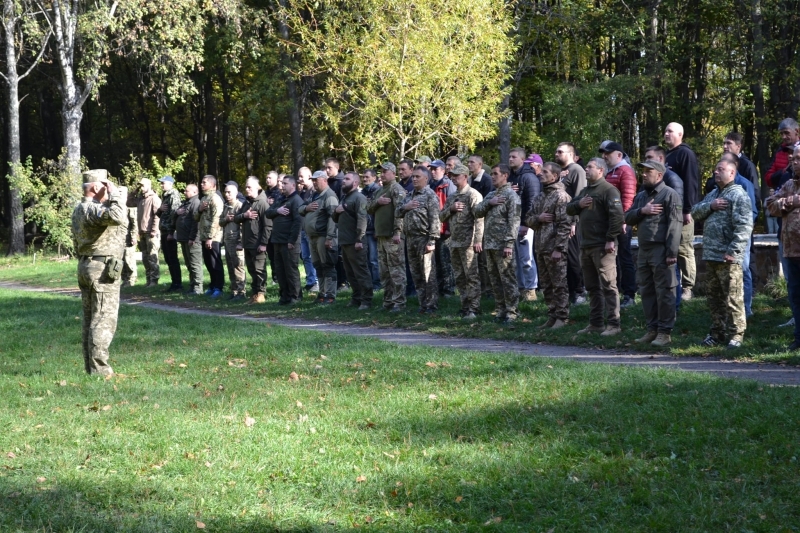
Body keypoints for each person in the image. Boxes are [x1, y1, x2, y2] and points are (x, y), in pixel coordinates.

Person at [691, 158, 753, 349]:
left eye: (721, 169)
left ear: (732, 173)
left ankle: (737, 334)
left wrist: (733, 251)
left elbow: (744, 226)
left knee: (733, 297)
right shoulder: (713, 194)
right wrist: (711, 206)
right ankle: (717, 331)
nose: (715, 172)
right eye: (715, 169)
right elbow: (694, 212)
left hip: (728, 257)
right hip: (711, 255)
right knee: (714, 298)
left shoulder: (738, 195)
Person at [71, 169, 127, 376]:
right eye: (105, 185)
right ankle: (101, 370)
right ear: (96, 187)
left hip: (86, 265)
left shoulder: (79, 209)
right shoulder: (91, 209)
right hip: (101, 269)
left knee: (90, 318)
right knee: (103, 318)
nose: (109, 187)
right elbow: (118, 217)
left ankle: (91, 368)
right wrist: (116, 196)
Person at [624, 161, 683, 346]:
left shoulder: (669, 195)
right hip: (644, 249)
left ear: (659, 175)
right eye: (642, 171)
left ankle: (665, 332)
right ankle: (652, 329)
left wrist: (671, 252)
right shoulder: (641, 196)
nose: (643, 174)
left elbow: (675, 224)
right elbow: (627, 217)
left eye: (648, 171)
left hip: (661, 250)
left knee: (665, 291)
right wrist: (643, 211)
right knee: (647, 290)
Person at [566, 158, 624, 336]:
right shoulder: (585, 191)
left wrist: (610, 239)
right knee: (592, 286)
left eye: (590, 167)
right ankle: (596, 323)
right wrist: (579, 204)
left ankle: (614, 324)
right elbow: (569, 208)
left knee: (608, 284)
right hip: (586, 245)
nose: (586, 169)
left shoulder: (608, 190)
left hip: (602, 246)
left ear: (600, 170)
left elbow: (617, 216)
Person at [474, 164, 521, 323]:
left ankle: (512, 311)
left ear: (505, 175)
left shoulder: (511, 196)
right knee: (494, 280)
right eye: (492, 174)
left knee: (507, 279)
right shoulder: (492, 195)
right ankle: (500, 310)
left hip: (503, 246)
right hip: (490, 244)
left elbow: (514, 221)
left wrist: (509, 243)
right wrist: (490, 203)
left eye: (496, 174)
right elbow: (477, 211)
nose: (492, 176)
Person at [527, 162, 572, 329]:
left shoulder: (561, 196)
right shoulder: (540, 197)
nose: (541, 174)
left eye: (545, 172)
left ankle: (562, 317)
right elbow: (529, 219)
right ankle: (552, 315)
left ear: (554, 176)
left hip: (554, 249)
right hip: (540, 247)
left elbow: (565, 224)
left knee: (559, 284)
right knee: (546, 284)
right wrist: (538, 219)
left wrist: (559, 248)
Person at [440, 163, 484, 319]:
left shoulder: (473, 195)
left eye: (456, 176)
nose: (453, 179)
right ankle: (465, 306)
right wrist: (450, 209)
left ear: (465, 176)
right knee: (459, 276)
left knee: (471, 276)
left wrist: (478, 240)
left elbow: (479, 219)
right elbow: (441, 216)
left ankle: (474, 308)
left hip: (469, 243)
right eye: (451, 176)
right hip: (455, 242)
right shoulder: (452, 197)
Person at [767, 145, 800, 350]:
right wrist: (790, 202)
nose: (793, 162)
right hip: (791, 251)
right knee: (796, 296)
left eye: (797, 159)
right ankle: (798, 338)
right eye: (793, 159)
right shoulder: (788, 184)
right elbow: (771, 205)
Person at [396, 165, 441, 313]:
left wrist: (432, 240)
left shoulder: (430, 195)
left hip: (424, 238)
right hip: (410, 239)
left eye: (417, 177)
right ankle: (422, 304)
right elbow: (397, 212)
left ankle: (431, 305)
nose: (414, 179)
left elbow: (435, 219)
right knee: (416, 273)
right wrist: (406, 207)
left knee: (428, 274)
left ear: (426, 179)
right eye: (413, 176)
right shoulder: (409, 195)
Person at [664, 122, 700, 301]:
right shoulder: (667, 156)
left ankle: (687, 288)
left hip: (683, 212)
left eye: (670, 131)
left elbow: (691, 182)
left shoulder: (686, 154)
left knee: (685, 249)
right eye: (665, 131)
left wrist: (688, 210)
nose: (666, 134)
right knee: (672, 248)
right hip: (668, 211)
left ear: (680, 134)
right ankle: (674, 285)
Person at [599, 141, 637, 308]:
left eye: (608, 153)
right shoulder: (611, 171)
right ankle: (616, 293)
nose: (604, 156)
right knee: (612, 257)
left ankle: (629, 295)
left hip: (621, 222)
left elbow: (628, 198)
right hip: (609, 221)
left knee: (624, 257)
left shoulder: (625, 171)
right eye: (603, 153)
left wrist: (623, 220)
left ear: (619, 155)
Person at [366, 162, 407, 312]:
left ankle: (399, 302)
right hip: (381, 236)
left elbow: (400, 213)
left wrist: (398, 232)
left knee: (396, 271)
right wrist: (378, 202)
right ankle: (388, 301)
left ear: (393, 173)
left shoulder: (397, 189)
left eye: (385, 172)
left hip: (393, 236)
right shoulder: (379, 190)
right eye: (380, 172)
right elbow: (368, 208)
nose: (381, 174)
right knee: (384, 271)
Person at [333, 171, 373, 310]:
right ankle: (356, 298)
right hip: (345, 242)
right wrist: (336, 211)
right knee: (350, 273)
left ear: (355, 183)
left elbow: (362, 219)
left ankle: (366, 300)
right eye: (344, 179)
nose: (343, 181)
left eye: (347, 179)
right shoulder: (345, 197)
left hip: (356, 242)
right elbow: (335, 218)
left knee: (361, 271)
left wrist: (359, 239)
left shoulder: (359, 198)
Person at [555, 142, 587, 306]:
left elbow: (580, 196)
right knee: (564, 259)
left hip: (573, 223)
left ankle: (580, 292)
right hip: (560, 222)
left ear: (570, 154)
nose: (556, 154)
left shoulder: (577, 170)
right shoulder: (562, 172)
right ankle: (569, 292)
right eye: (556, 151)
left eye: (560, 152)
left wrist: (574, 222)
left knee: (574, 258)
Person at [301, 170, 340, 303]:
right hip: (313, 237)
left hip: (324, 237)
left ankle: (330, 295)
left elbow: (333, 219)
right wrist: (306, 208)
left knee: (327, 265)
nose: (314, 183)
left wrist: (330, 238)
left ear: (324, 180)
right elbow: (300, 208)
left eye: (316, 180)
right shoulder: (314, 195)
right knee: (318, 265)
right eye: (312, 180)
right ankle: (322, 294)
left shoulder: (329, 196)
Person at [265, 175, 304, 304]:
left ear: (293, 185)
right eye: (282, 183)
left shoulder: (296, 200)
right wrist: (278, 210)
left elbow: (298, 222)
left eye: (285, 183)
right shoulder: (281, 199)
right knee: (280, 270)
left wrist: (292, 241)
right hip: (277, 240)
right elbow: (268, 213)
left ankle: (295, 296)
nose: (282, 185)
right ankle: (284, 296)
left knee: (291, 270)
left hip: (289, 242)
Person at [508, 147, 540, 302]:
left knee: (527, 258)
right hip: (513, 223)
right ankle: (522, 289)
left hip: (525, 224)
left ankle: (531, 289)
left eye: (513, 157)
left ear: (522, 159)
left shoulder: (529, 177)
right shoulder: (512, 177)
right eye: (509, 157)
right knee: (517, 259)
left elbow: (532, 202)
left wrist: (526, 224)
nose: (510, 159)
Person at [235, 177, 272, 304]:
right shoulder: (246, 203)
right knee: (251, 269)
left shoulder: (262, 203)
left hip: (258, 244)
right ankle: (254, 294)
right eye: (245, 187)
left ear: (257, 187)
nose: (247, 189)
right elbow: (236, 218)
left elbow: (268, 225)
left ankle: (261, 294)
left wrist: (263, 243)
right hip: (248, 243)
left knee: (259, 269)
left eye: (249, 187)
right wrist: (245, 215)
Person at [467, 154, 494, 299]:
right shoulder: (470, 179)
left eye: (472, 162)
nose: (469, 164)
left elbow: (486, 204)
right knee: (476, 260)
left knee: (483, 260)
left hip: (484, 223)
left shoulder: (487, 180)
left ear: (480, 164)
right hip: (472, 223)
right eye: (468, 162)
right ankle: (481, 288)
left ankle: (488, 290)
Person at [428, 159, 456, 297]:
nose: (433, 172)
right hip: (434, 229)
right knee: (437, 261)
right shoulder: (431, 185)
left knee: (446, 262)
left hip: (445, 229)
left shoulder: (448, 185)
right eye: (431, 169)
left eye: (436, 169)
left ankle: (449, 290)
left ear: (443, 170)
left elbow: (452, 207)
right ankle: (439, 289)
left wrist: (449, 227)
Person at [195, 175, 225, 298]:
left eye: (204, 182)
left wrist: (210, 237)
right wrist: (200, 209)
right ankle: (212, 286)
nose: (202, 184)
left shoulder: (215, 199)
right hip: (204, 235)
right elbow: (195, 217)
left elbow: (216, 219)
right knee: (208, 262)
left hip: (213, 237)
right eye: (202, 182)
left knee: (215, 262)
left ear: (212, 185)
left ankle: (219, 287)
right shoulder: (203, 198)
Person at [173, 184, 203, 295]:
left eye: (187, 191)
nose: (184, 192)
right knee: (189, 263)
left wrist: (192, 237)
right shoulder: (185, 203)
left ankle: (198, 288)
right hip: (184, 238)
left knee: (195, 264)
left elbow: (196, 222)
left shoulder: (195, 203)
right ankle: (192, 285)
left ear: (195, 192)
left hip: (192, 239)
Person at [156, 176, 182, 292]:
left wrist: (172, 232)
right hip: (164, 231)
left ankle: (177, 284)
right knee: (168, 258)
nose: (161, 185)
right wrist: (160, 209)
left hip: (169, 232)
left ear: (170, 184)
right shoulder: (165, 195)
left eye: (163, 183)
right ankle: (174, 283)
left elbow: (174, 214)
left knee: (172, 258)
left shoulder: (173, 195)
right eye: (161, 183)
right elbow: (159, 214)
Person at [220, 182, 246, 300]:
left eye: (229, 192)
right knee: (230, 266)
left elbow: (243, 226)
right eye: (225, 192)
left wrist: (241, 242)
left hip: (236, 241)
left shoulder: (239, 206)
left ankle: (241, 292)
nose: (227, 194)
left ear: (236, 193)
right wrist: (226, 219)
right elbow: (220, 222)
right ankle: (234, 290)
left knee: (238, 266)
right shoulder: (226, 206)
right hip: (227, 240)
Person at [296, 167, 319, 293]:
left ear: (309, 176)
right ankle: (310, 281)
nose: (299, 179)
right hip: (303, 229)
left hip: (312, 230)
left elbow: (313, 208)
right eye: (298, 176)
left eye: (301, 176)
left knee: (312, 256)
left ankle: (316, 282)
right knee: (305, 257)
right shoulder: (302, 192)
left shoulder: (314, 191)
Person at [136, 177, 161, 287]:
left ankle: (154, 281)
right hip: (142, 232)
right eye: (140, 186)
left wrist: (154, 230)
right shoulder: (141, 200)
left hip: (151, 233)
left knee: (152, 257)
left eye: (143, 185)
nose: (141, 188)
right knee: (145, 258)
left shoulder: (154, 199)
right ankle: (148, 280)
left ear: (149, 186)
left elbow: (157, 216)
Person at [360, 168, 382, 290]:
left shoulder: (377, 191)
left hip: (373, 229)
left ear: (374, 177)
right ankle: (369, 283)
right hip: (364, 230)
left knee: (374, 259)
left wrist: (376, 229)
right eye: (363, 177)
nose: (364, 179)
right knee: (367, 259)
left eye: (367, 177)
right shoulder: (362, 192)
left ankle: (377, 283)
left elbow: (378, 212)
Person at [765, 118, 800, 188]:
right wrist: (784, 171)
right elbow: (768, 178)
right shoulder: (780, 152)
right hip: (782, 194)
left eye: (787, 133)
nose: (783, 137)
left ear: (796, 131)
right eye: (781, 134)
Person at [121, 194, 138, 287]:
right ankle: (124, 280)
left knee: (129, 259)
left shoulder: (129, 210)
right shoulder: (117, 209)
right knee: (121, 260)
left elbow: (135, 224)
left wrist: (134, 236)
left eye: (121, 193)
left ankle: (131, 280)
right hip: (119, 239)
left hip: (128, 239)